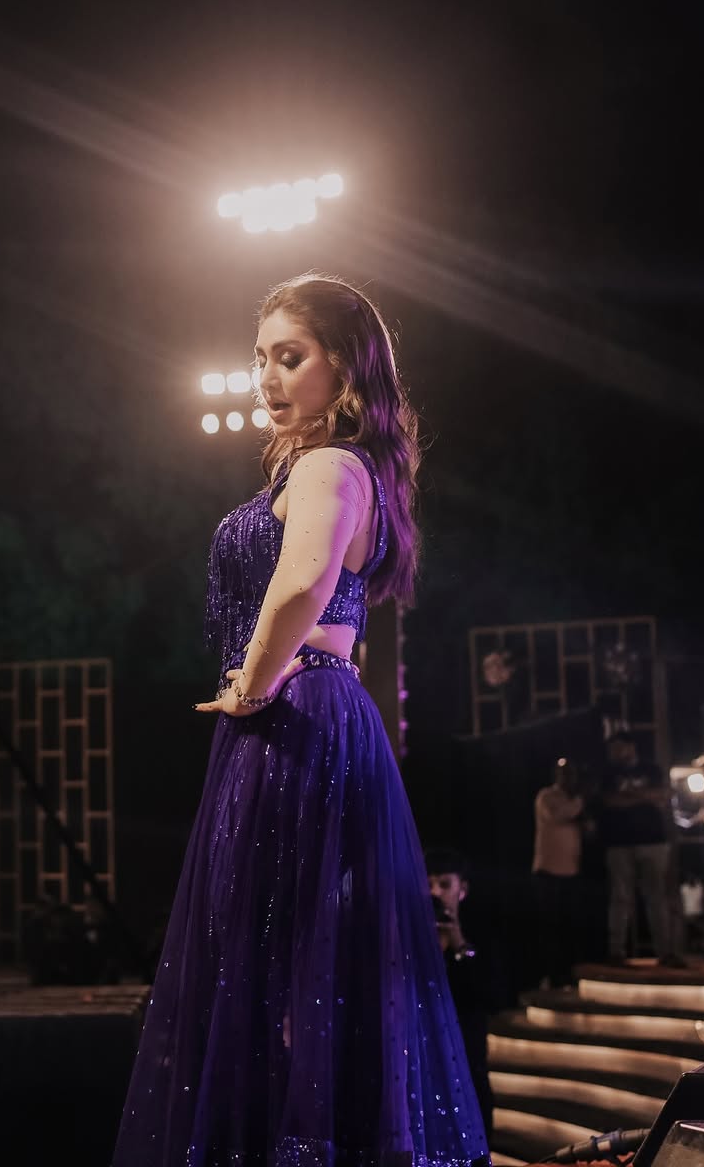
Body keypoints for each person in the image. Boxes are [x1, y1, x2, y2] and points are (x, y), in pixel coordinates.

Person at [113, 275, 488, 1167]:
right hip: (309, 709)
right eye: (261, 360)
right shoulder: (339, 467)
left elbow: (304, 581)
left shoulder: (329, 465)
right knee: (295, 953)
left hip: (295, 709)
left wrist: (250, 682)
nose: (268, 378)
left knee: (277, 948)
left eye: (291, 357)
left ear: (345, 370)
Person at [426, 847, 496, 1143]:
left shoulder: (481, 933)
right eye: (428, 884)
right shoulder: (405, 934)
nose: (435, 893)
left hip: (467, 1063)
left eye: (444, 884)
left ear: (462, 889)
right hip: (425, 1067)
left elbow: (490, 994)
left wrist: (459, 944)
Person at [598, 732, 683, 967]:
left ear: (631, 746)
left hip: (653, 841)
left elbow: (664, 796)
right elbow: (610, 801)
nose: (615, 752)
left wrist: (631, 795)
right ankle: (616, 951)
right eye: (612, 748)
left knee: (656, 897)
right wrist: (645, 797)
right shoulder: (609, 773)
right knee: (620, 898)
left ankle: (665, 952)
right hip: (619, 843)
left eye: (618, 747)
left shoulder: (651, 769)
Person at [532, 757, 585, 988]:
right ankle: (550, 974)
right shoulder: (547, 796)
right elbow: (556, 816)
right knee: (550, 927)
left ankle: (567, 973)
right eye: (563, 773)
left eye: (571, 773)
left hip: (571, 872)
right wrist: (581, 802)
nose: (567, 778)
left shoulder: (575, 802)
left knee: (569, 926)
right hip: (548, 871)